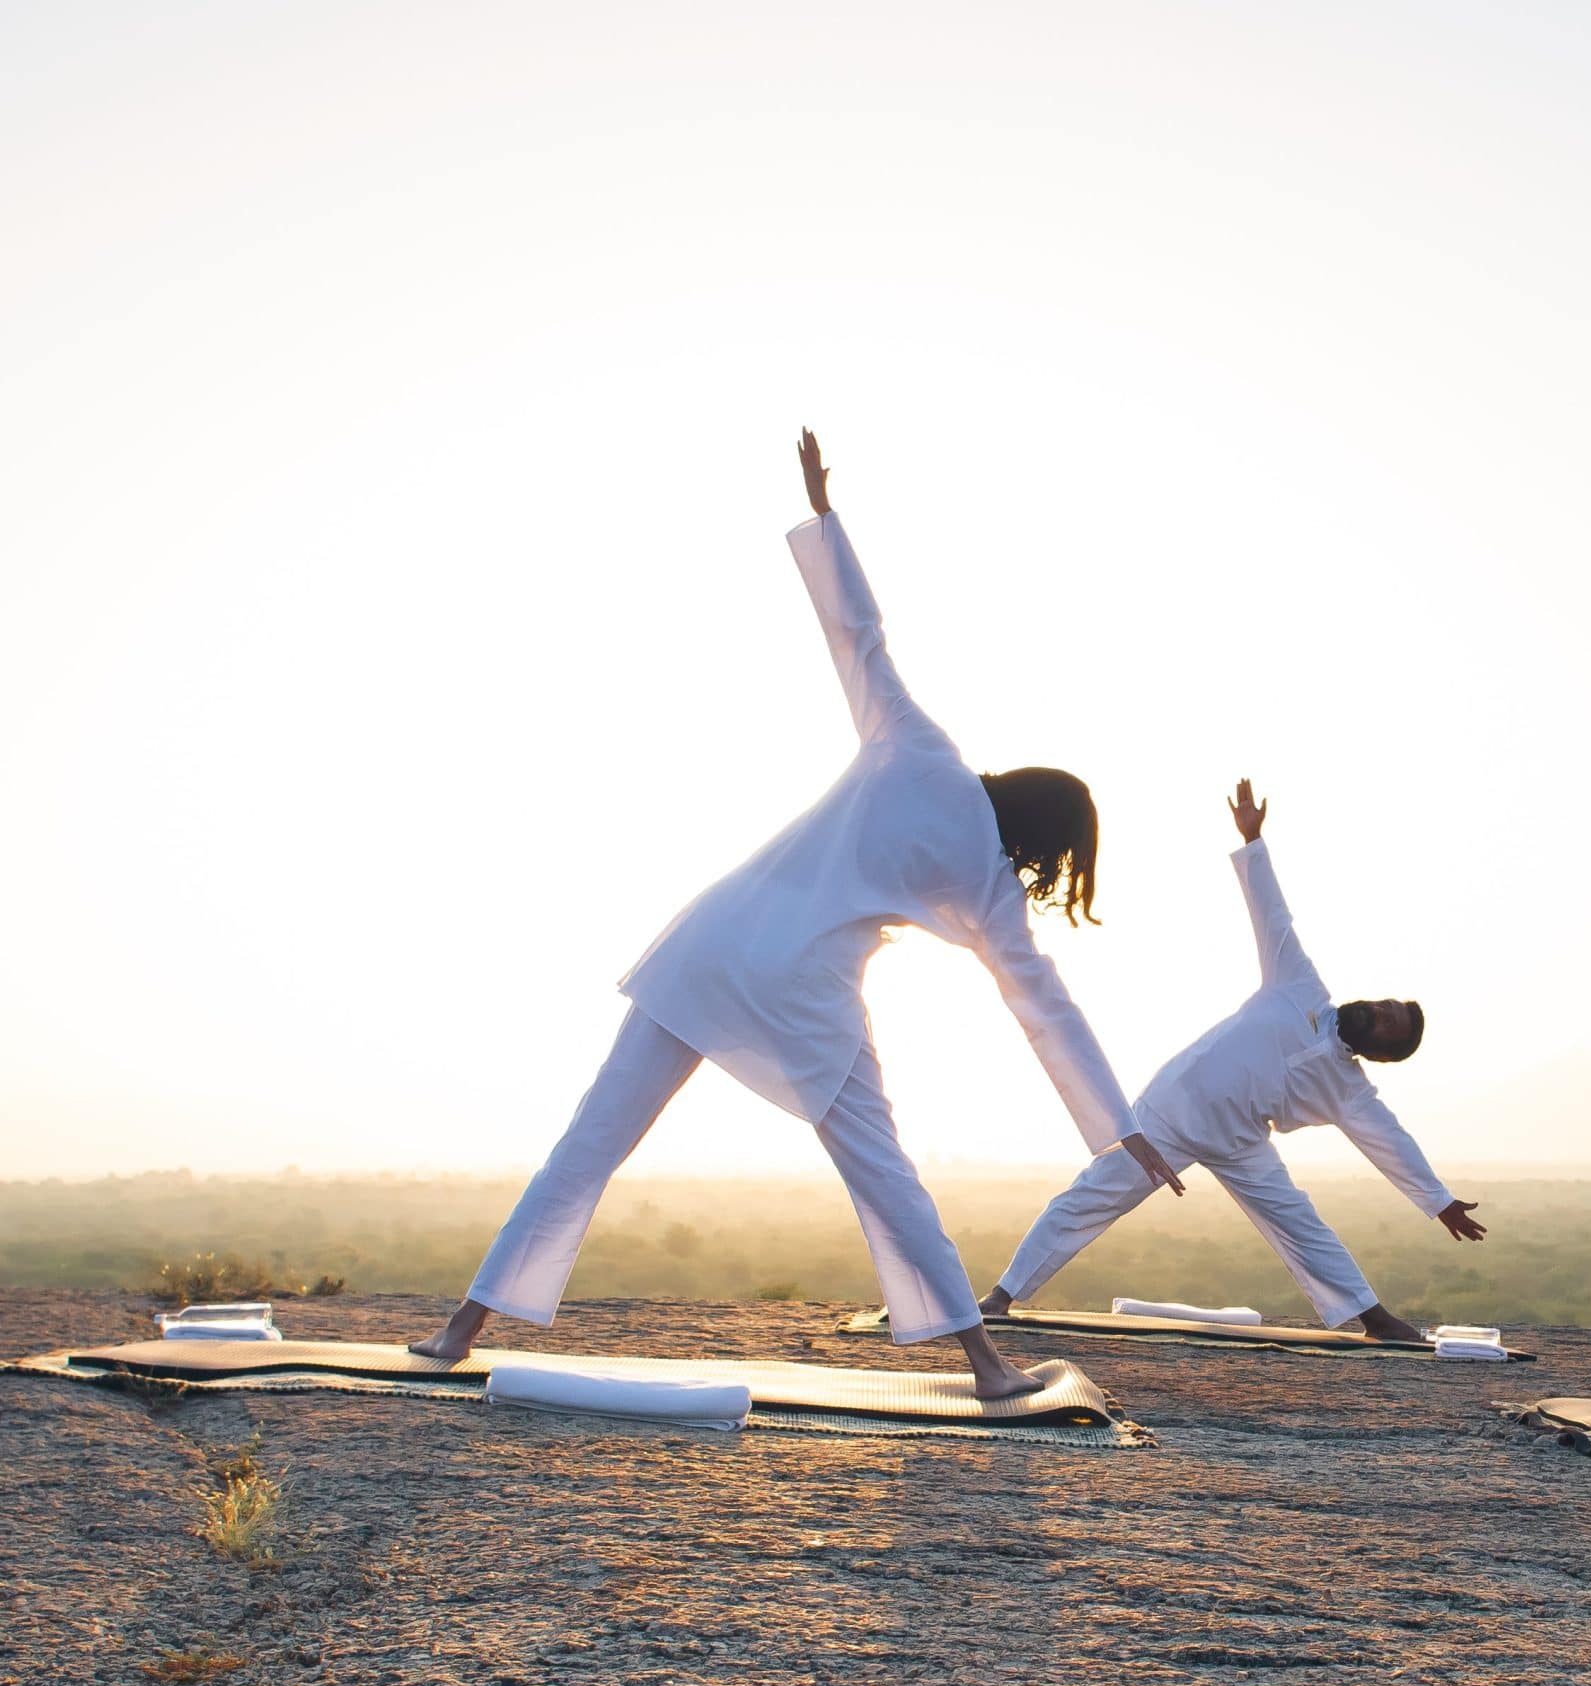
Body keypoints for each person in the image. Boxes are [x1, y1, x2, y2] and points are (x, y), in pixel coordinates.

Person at [412, 428, 1181, 1397]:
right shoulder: (984, 878)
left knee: (588, 1144)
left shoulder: (918, 745)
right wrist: (1120, 1130)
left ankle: (458, 1327)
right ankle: (985, 1364)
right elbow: (1043, 1003)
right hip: (802, 983)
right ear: (1043, 842)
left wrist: (823, 516)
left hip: (709, 942)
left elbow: (857, 635)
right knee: (883, 1168)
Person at [980, 780, 1485, 1341]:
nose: (1379, 1012)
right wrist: (1253, 839)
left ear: (1381, 1053)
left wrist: (1438, 1202)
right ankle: (1001, 1296)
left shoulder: (1350, 1089)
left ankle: (1374, 1320)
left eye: (1389, 1024)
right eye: (1386, 1006)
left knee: (1301, 1223)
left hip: (1241, 1141)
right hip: (1169, 1112)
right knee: (1091, 1197)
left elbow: (1390, 1142)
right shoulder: (1300, 985)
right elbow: (1274, 916)